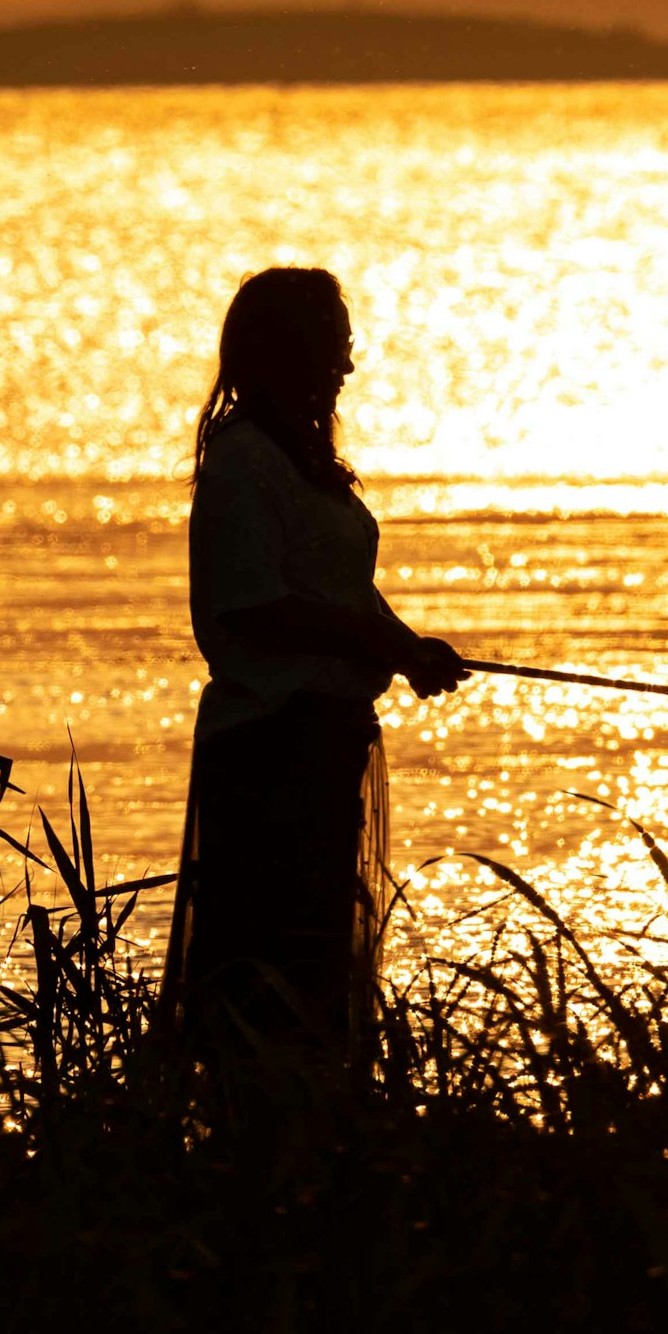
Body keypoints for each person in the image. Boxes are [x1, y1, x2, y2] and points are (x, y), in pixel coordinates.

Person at [169, 266, 469, 1072]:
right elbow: (254, 605)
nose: (347, 365)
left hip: (324, 741)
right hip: (271, 746)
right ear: (290, 352)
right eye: (334, 347)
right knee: (271, 958)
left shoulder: (297, 460)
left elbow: (345, 595)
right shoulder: (243, 464)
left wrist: (409, 647)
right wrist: (380, 644)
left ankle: (312, 1118)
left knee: (317, 952)